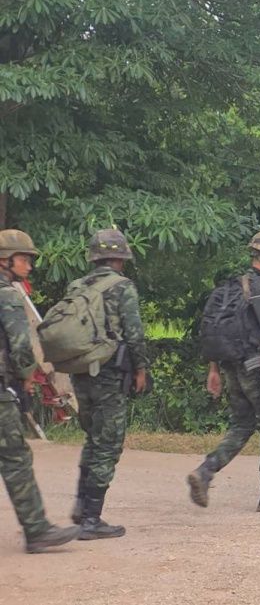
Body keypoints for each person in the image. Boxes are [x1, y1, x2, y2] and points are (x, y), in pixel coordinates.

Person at [187, 230, 260, 512]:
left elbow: (215, 331)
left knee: (242, 425)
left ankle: (205, 471)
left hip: (231, 366)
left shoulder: (233, 286)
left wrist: (213, 369)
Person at [0, 229, 80, 553]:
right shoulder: (7, 296)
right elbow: (21, 346)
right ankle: (36, 530)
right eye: (24, 259)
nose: (29, 266)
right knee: (15, 458)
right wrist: (26, 378)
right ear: (5, 260)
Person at [67, 230, 150, 539]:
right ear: (120, 258)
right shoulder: (122, 287)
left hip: (80, 372)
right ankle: (91, 519)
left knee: (93, 438)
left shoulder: (76, 286)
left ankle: (81, 505)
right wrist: (141, 368)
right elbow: (134, 333)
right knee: (108, 443)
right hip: (109, 374)